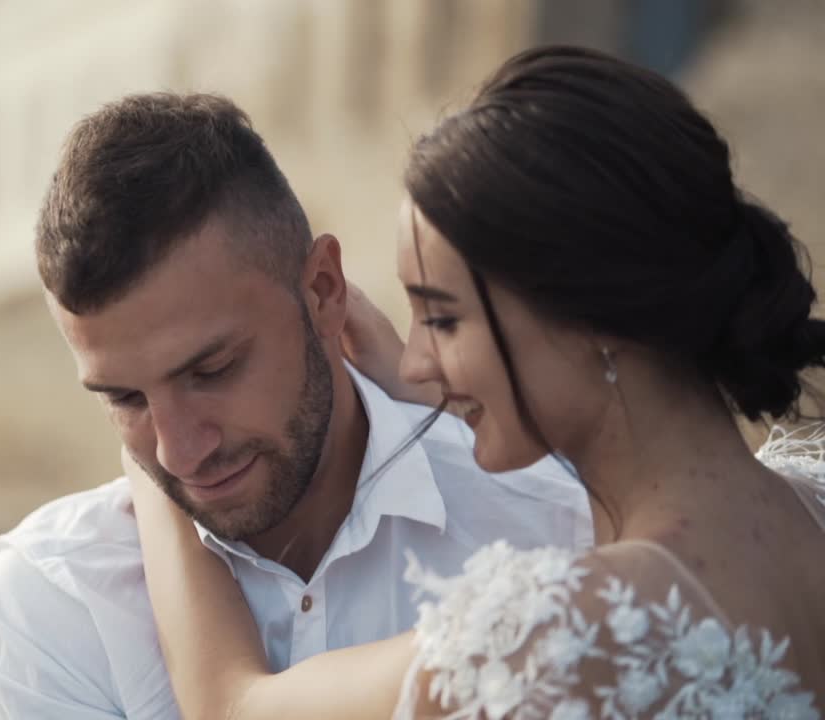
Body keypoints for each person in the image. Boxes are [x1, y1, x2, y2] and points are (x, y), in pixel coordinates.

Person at [125, 45, 825, 720]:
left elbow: (232, 705)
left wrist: (154, 451)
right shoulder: (806, 506)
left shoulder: (568, 635)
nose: (413, 363)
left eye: (444, 317)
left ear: (594, 315)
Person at [0, 92, 593, 718]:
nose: (177, 451)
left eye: (212, 370)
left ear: (324, 292)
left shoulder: (554, 533)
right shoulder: (50, 599)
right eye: (126, 399)